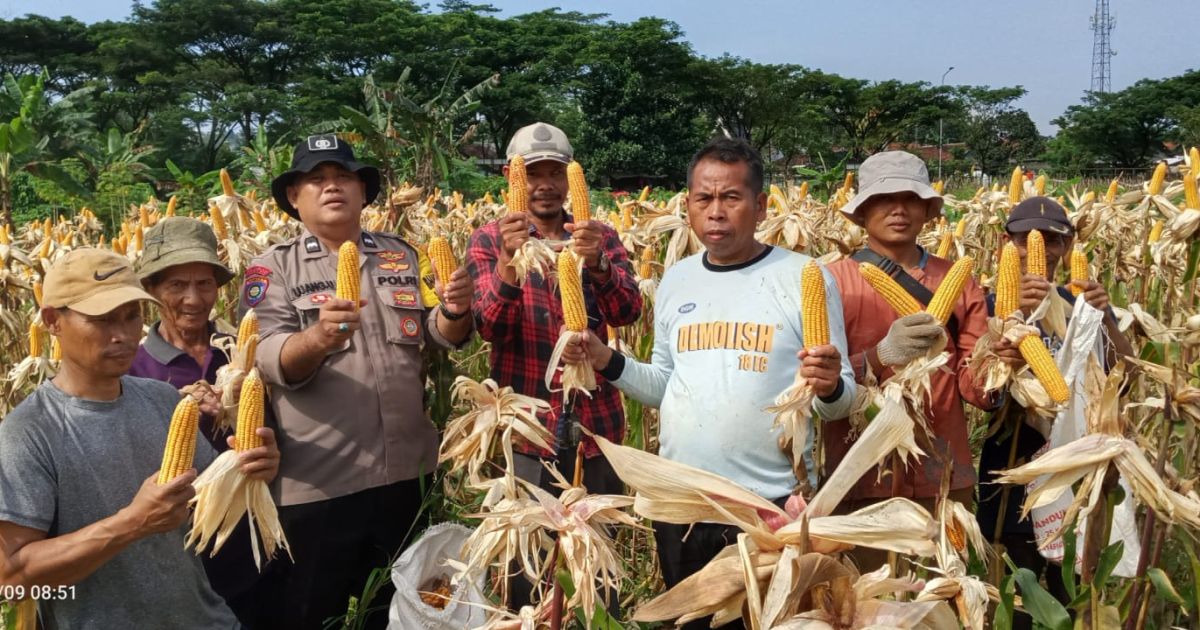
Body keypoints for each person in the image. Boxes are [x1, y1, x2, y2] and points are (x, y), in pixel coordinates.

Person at [566, 137, 855, 630]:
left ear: (761, 205)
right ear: (688, 206)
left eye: (731, 197)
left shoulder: (804, 277)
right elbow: (662, 386)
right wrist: (604, 358)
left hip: (770, 508)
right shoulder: (676, 279)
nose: (715, 212)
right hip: (683, 503)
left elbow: (836, 400)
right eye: (703, 198)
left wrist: (829, 386)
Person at [243, 134, 474, 630]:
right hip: (321, 483)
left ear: (363, 192)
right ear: (293, 197)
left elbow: (433, 336)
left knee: (400, 613)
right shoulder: (273, 268)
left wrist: (455, 310)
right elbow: (264, 356)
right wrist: (319, 338)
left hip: (407, 475)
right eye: (317, 179)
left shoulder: (399, 256)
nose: (332, 187)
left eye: (344, 177)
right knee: (311, 614)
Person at [0, 248, 279, 629]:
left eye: (132, 316)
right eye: (102, 319)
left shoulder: (162, 400)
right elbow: (11, 579)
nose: (123, 335)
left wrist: (249, 470)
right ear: (52, 320)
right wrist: (132, 522)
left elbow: (207, 502)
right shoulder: (28, 433)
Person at [821, 151, 996, 571]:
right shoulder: (832, 281)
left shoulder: (959, 280)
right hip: (861, 473)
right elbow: (819, 383)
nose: (898, 209)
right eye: (883, 199)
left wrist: (1002, 358)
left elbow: (978, 389)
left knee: (943, 597)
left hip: (942, 474)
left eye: (910, 199)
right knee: (867, 602)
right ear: (862, 212)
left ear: (927, 211)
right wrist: (882, 356)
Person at [975, 196, 1133, 629]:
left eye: (1051, 240)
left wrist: (1107, 321)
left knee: (1072, 584)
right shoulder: (987, 306)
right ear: (1006, 242)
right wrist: (1014, 320)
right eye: (1026, 239)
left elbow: (1125, 374)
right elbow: (978, 387)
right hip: (1011, 466)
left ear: (1068, 247)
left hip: (1075, 467)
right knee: (1016, 582)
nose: (1038, 249)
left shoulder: (1082, 304)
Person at [466, 122, 642, 496]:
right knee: (529, 546)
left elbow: (628, 313)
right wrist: (508, 260)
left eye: (556, 172)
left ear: (570, 176)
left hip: (598, 426)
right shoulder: (487, 241)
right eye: (532, 174)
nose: (545, 184)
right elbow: (490, 329)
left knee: (598, 541)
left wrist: (598, 263)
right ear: (510, 177)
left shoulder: (601, 237)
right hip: (526, 428)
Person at [129, 215, 265, 626]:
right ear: (151, 291)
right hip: (170, 545)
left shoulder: (240, 352)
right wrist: (168, 409)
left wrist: (260, 440)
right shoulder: (132, 366)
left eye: (204, 284)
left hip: (245, 538)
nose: (193, 299)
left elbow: (271, 437)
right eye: (176, 285)